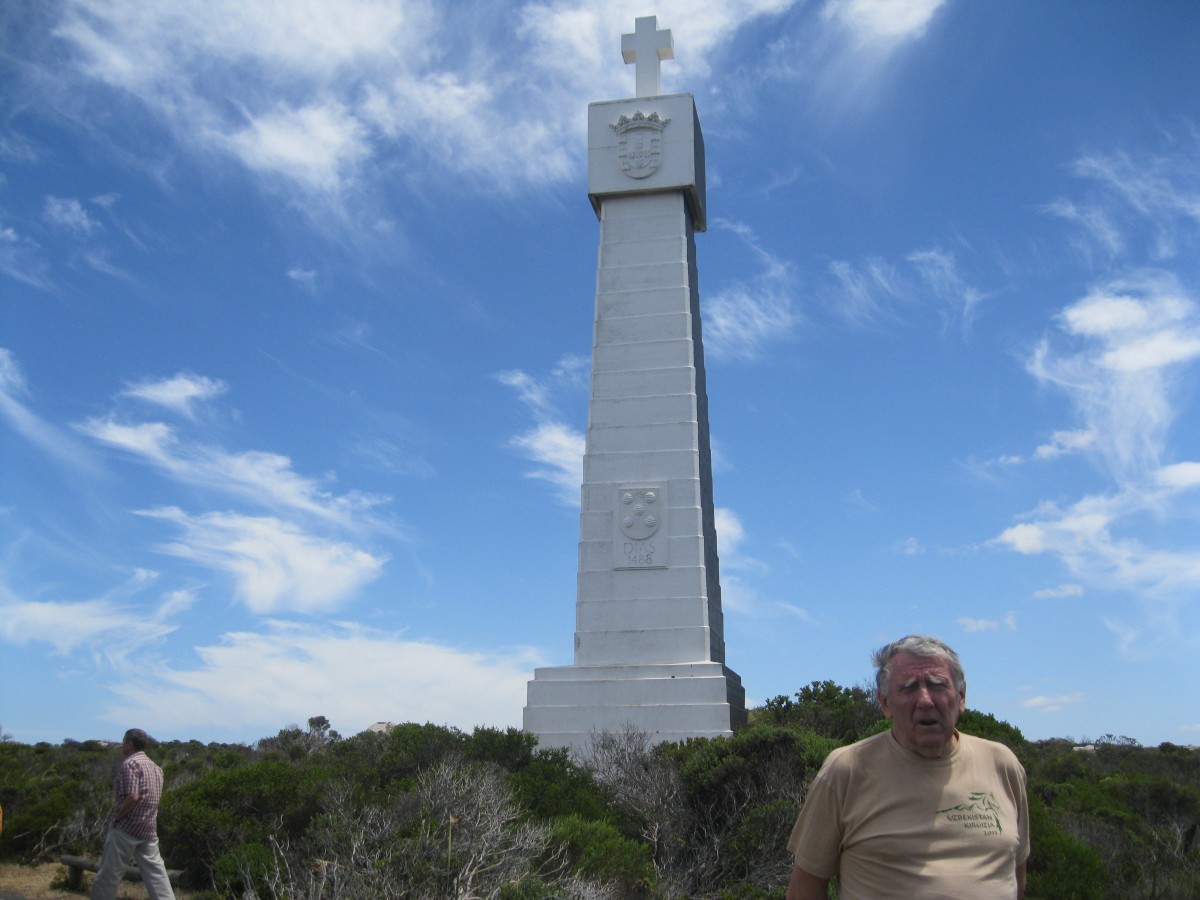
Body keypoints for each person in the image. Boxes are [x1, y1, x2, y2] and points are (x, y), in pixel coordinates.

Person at [785, 635, 1030, 899]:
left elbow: (1016, 875)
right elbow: (804, 889)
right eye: (908, 688)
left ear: (961, 697)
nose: (925, 700)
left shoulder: (1002, 764)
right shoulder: (846, 770)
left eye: (938, 685)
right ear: (885, 703)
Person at [91, 728, 176, 900]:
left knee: (108, 874)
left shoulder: (130, 764)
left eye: (123, 742)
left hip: (126, 828)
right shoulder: (157, 769)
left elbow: (133, 796)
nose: (122, 745)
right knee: (157, 876)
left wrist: (117, 817)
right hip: (149, 829)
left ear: (130, 744)